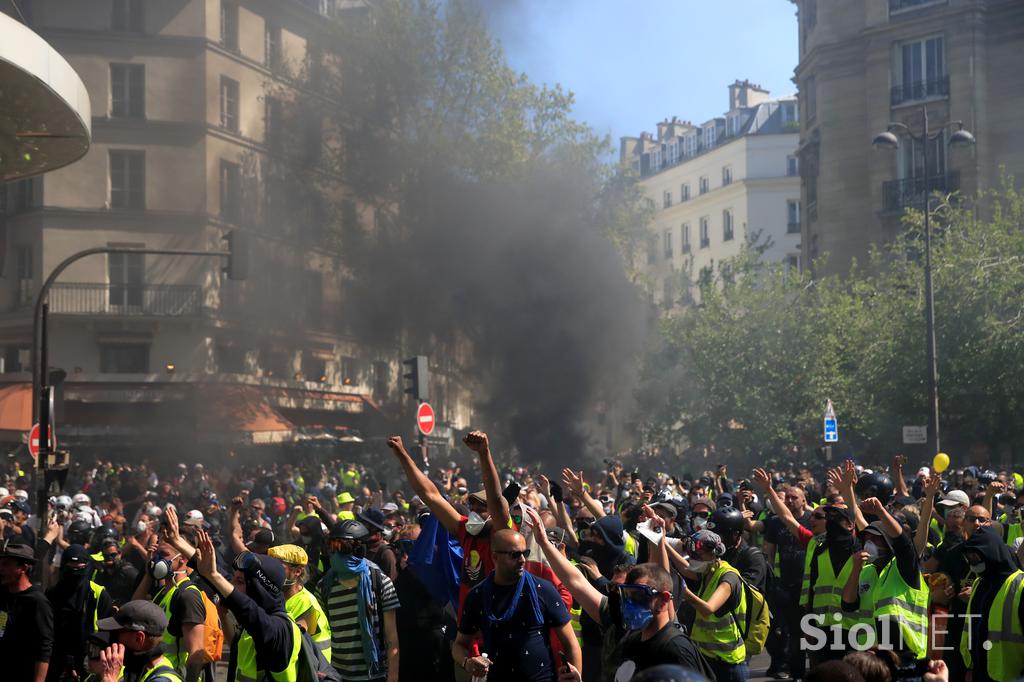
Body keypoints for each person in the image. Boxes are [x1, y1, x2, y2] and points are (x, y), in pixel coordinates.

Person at [454, 528, 581, 682]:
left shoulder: (543, 590)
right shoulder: (477, 595)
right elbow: (459, 645)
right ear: (494, 557)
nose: (522, 560)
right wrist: (467, 663)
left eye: (524, 553)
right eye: (514, 555)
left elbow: (571, 643)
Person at [193, 529, 303, 682]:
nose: (231, 586)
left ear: (258, 589)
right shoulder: (252, 626)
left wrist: (213, 576)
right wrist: (176, 541)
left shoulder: (281, 629)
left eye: (239, 582)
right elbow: (235, 643)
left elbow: (248, 610)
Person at [841, 499, 928, 670]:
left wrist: (880, 511)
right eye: (867, 539)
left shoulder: (903, 567)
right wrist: (856, 570)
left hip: (904, 656)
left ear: (888, 542)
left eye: (875, 539)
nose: (868, 543)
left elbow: (903, 543)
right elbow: (848, 604)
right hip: (871, 655)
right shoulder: (865, 571)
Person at [319, 519, 400, 682]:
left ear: (359, 551)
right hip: (336, 675)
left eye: (342, 549)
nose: (336, 554)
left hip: (373, 675)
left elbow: (391, 636)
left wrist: (393, 676)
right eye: (332, 549)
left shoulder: (379, 582)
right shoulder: (324, 586)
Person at [615, 563, 712, 680]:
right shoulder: (631, 642)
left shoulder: (676, 650)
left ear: (664, 600)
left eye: (639, 596)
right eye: (628, 596)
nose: (631, 603)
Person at [678, 530, 748, 682]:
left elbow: (708, 609)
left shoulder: (729, 577)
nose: (693, 559)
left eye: (698, 555)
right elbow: (684, 567)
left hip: (728, 662)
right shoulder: (708, 570)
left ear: (713, 553)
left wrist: (684, 592)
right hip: (707, 657)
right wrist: (661, 542)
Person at [130, 542, 206, 677]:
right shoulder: (163, 592)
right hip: (157, 674)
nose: (157, 559)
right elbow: (132, 612)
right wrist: (149, 575)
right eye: (156, 555)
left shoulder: (187, 595)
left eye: (163, 555)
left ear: (182, 558)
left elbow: (196, 652)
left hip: (173, 676)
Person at [958, 526, 1024, 682]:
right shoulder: (979, 583)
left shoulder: (1020, 585)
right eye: (969, 557)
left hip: (1012, 676)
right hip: (979, 671)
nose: (972, 561)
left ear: (991, 553)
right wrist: (970, 667)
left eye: (975, 556)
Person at [46, 544, 115, 681]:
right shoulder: (52, 593)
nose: (75, 571)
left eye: (80, 567)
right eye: (71, 566)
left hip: (89, 662)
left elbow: (108, 634)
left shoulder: (98, 594)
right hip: (56, 662)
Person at [267, 543, 332, 662]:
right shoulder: (277, 597)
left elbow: (286, 642)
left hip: (313, 672)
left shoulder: (307, 603)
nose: (271, 572)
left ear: (297, 571)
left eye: (278, 567)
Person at [0, 540, 54, 682]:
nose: (1, 569)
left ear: (23, 568)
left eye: (6, 564)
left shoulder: (37, 602)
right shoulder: (4, 594)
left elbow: (44, 646)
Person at [93, 600, 184, 681]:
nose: (111, 638)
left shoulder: (163, 680)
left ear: (139, 638)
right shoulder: (136, 671)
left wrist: (110, 679)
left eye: (116, 633)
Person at [93, 538, 140, 607]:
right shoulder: (101, 574)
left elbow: (140, 596)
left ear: (119, 554)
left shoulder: (129, 572)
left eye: (113, 555)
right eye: (106, 556)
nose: (109, 559)